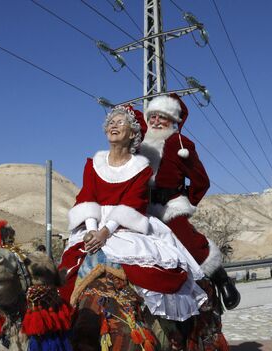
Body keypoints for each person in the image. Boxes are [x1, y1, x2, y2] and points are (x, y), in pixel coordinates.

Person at [59, 104, 207, 321]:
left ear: (133, 133)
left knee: (152, 267)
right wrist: (91, 231)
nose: (113, 126)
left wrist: (104, 233)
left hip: (125, 225)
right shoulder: (93, 164)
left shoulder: (141, 168)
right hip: (94, 223)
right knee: (68, 269)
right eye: (111, 122)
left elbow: (132, 203)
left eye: (120, 122)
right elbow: (87, 197)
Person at [139, 93, 240, 309]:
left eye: (162, 117)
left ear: (172, 121)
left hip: (170, 207)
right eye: (153, 116)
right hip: (143, 207)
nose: (156, 121)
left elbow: (201, 180)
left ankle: (220, 279)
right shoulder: (140, 144)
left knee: (186, 240)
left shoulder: (179, 144)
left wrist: (187, 200)